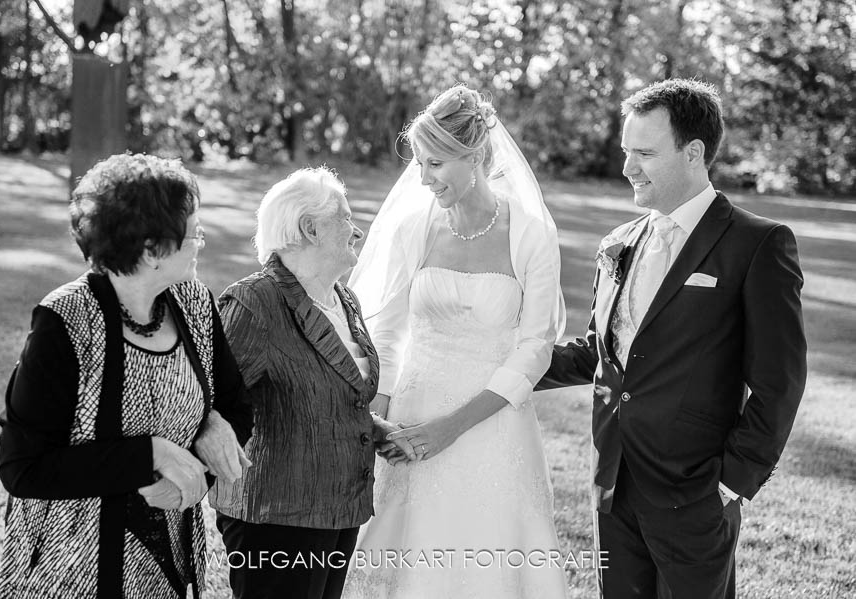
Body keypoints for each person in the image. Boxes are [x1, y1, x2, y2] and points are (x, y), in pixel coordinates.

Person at [538, 78, 807, 598]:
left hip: (697, 490)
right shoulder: (618, 242)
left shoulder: (757, 244)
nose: (626, 168)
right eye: (625, 151)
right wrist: (505, 365)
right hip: (613, 480)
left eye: (643, 153)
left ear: (694, 153)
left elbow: (780, 380)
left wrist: (733, 482)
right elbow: (603, 349)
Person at [342, 84, 570, 598]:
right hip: (411, 418)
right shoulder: (414, 226)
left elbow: (534, 348)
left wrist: (452, 427)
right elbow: (388, 331)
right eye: (420, 164)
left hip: (492, 424)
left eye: (437, 164)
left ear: (475, 157)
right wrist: (376, 420)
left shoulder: (530, 234)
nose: (424, 179)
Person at [0, 153, 253, 599]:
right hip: (70, 564)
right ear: (152, 249)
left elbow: (236, 409)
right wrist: (152, 454)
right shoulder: (65, 321)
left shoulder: (193, 303)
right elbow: (23, 467)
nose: (202, 243)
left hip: (166, 558)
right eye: (194, 234)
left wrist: (198, 457)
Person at [210, 166, 415, 599]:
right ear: (310, 228)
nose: (356, 230)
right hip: (277, 516)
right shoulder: (254, 301)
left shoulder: (343, 299)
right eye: (344, 217)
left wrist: (372, 427)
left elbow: (327, 389)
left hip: (340, 509)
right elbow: (213, 403)